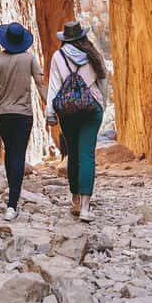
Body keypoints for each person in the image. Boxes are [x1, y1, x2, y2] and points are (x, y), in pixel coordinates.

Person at [0, 22, 46, 221]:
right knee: (18, 153)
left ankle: (12, 195)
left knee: (10, 152)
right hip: (24, 114)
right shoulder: (30, 58)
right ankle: (12, 203)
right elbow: (40, 83)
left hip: (3, 113)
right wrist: (49, 107)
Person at [45, 20, 107, 222]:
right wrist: (102, 104)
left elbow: (54, 85)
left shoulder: (58, 56)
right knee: (87, 155)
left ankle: (75, 200)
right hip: (92, 108)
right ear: (82, 36)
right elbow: (102, 82)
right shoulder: (92, 54)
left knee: (73, 154)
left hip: (68, 111)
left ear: (65, 38)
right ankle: (86, 208)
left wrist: (50, 112)